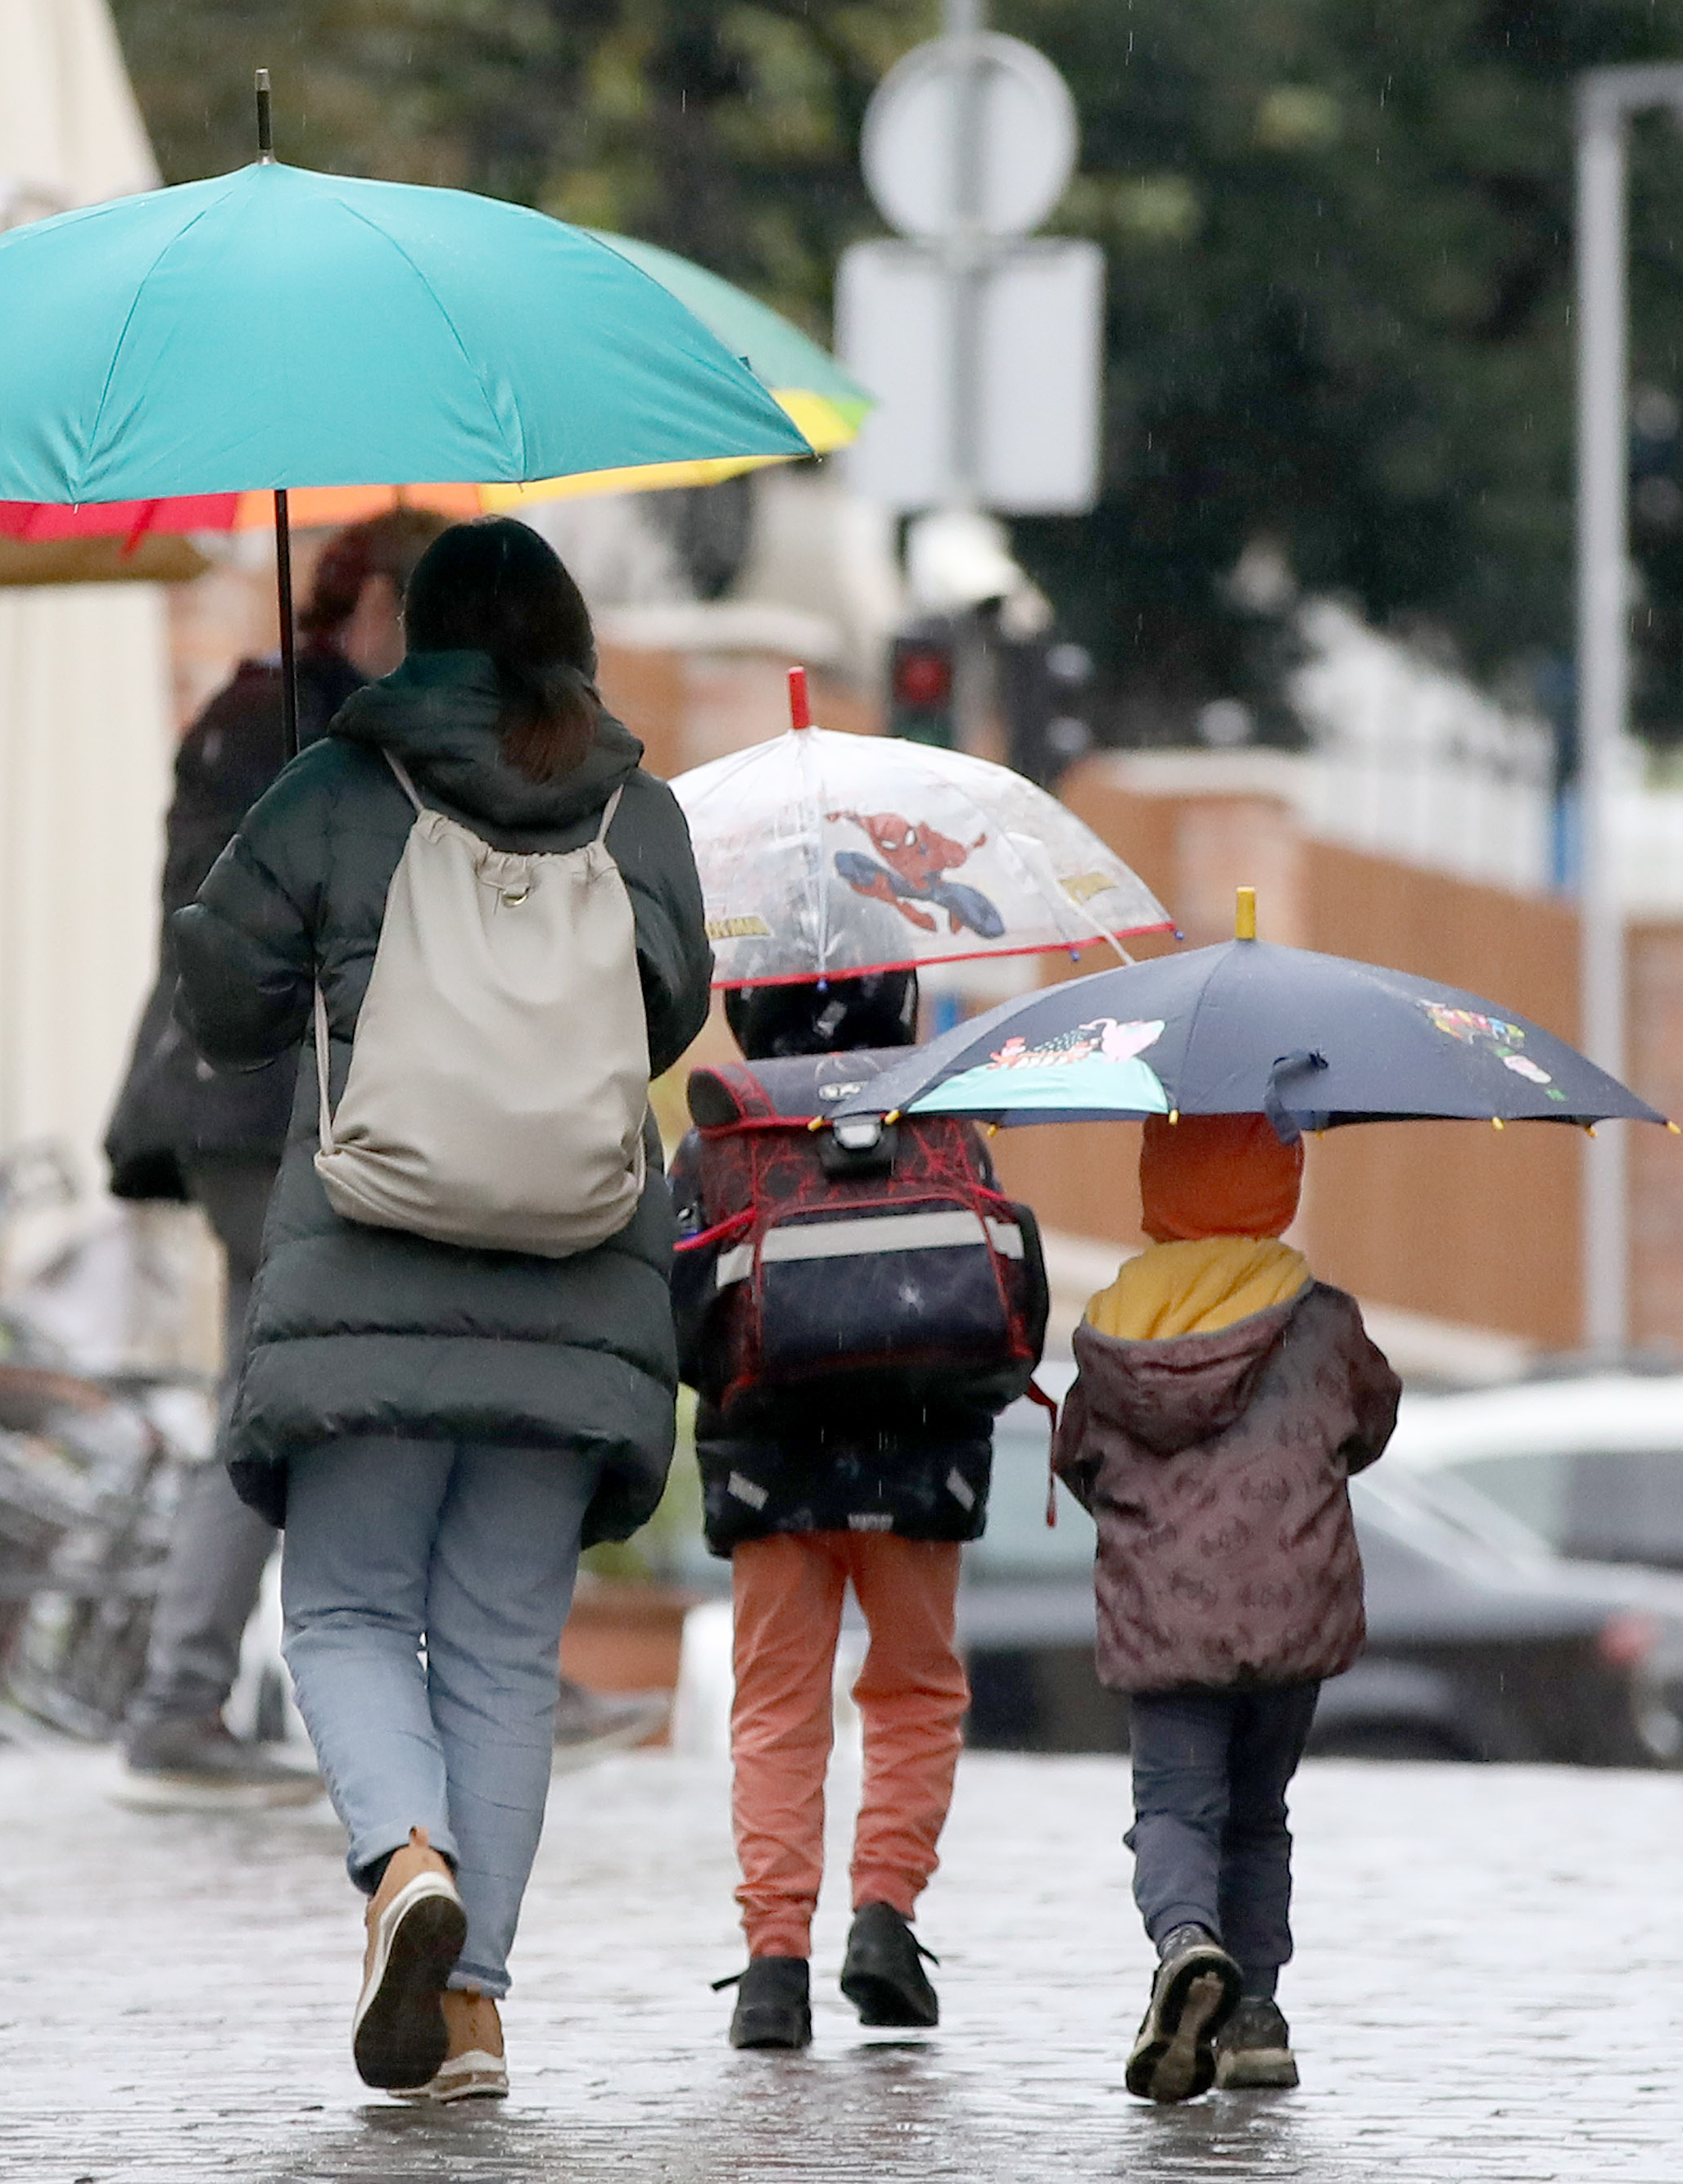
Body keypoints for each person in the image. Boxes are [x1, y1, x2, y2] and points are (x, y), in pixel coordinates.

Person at [170, 517, 715, 2101]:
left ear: (422, 637)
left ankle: (408, 1858)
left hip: (371, 1271)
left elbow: (220, 999)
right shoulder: (639, 808)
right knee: (501, 1650)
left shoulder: (340, 786)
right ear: (571, 640)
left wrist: (303, 858)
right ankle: (470, 2010)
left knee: (344, 1610)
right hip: (575, 1287)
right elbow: (667, 1010)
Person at [105, 510, 450, 1802]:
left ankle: (208, 1692)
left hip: (274, 1112)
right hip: (261, 1114)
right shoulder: (281, 726)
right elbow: (241, 927)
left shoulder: (320, 725)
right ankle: (188, 1696)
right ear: (383, 607)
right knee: (317, 1387)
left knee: (300, 1392)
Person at [672, 970, 1044, 2051]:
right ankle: (884, 1915)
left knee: (776, 1708)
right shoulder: (943, 1122)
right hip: (923, 1459)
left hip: (772, 1466)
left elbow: (680, 1314)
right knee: (916, 1689)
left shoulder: (723, 1133)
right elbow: (1007, 1301)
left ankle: (773, 1965)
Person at [1050, 1113, 1400, 2103]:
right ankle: (1256, 2023)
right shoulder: (1322, 1323)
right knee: (1257, 1816)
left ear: (1156, 1186)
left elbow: (1077, 1456)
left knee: (1174, 1808)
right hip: (1291, 1612)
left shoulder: (1115, 1325)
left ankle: (1185, 1946)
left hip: (1163, 1621)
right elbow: (1371, 1420)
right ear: (1279, 1185)